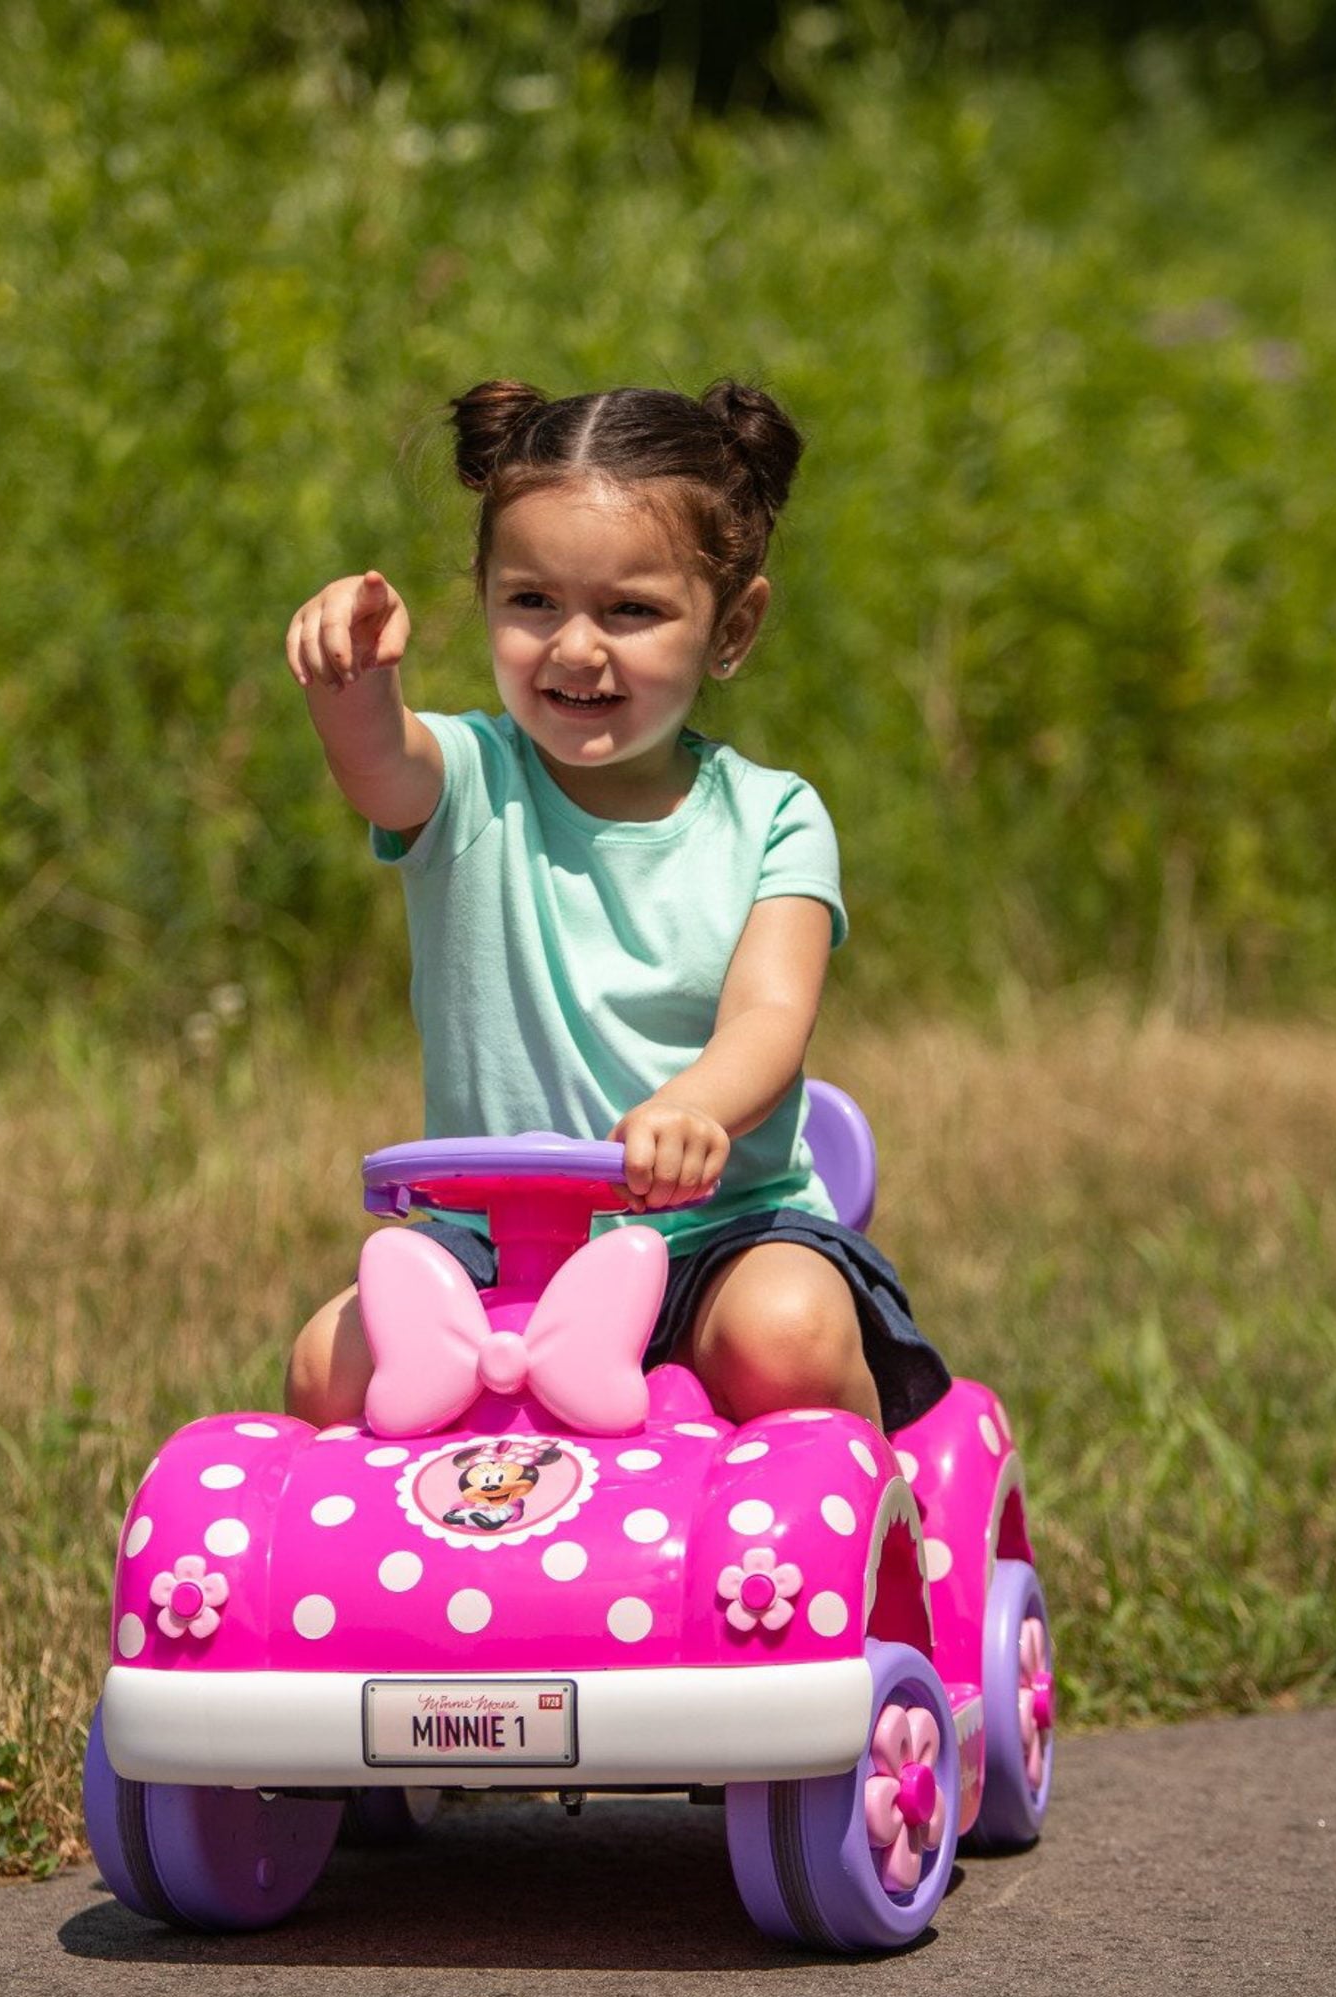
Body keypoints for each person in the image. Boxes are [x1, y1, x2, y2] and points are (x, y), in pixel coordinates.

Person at [280, 379, 951, 1436]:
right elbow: (379, 766)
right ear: (488, 596)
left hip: (718, 1232)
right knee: (329, 1365)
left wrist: (696, 1109)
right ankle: (395, 1593)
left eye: (631, 611)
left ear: (732, 628)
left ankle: (874, 1512)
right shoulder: (466, 781)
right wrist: (353, 680)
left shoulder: (772, 818)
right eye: (533, 601)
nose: (576, 649)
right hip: (494, 1240)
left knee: (788, 1335)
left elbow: (771, 1016)